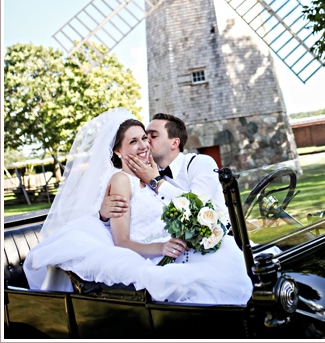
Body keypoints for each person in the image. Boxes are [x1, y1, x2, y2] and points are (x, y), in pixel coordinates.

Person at [22, 108, 253, 305]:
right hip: (153, 255)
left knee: (226, 259)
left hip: (185, 245)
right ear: (117, 151)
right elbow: (121, 241)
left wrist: (155, 183)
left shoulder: (155, 177)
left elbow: (193, 203)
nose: (144, 144)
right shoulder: (122, 180)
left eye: (146, 138)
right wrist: (161, 247)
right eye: (134, 141)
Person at [100, 113, 228, 225]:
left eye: (153, 136)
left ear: (174, 143)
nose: (146, 142)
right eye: (145, 136)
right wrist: (104, 215)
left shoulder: (201, 163)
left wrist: (156, 181)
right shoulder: (141, 176)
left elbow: (198, 206)